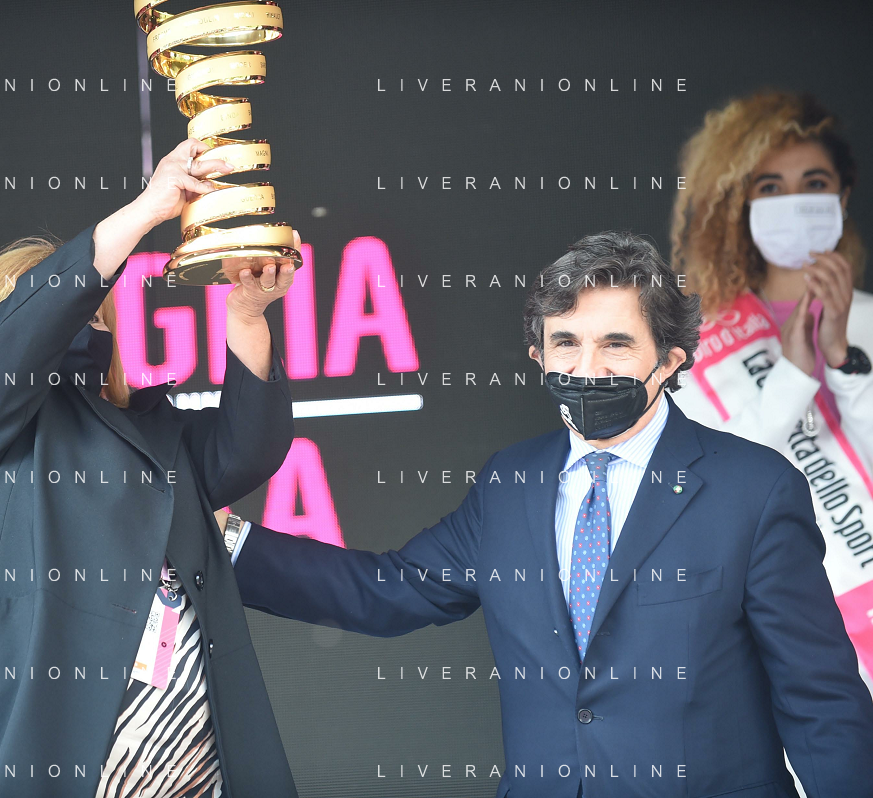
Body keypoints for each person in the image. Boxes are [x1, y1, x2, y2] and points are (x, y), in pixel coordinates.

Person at [217, 232, 873, 798]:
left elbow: (821, 702)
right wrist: (222, 540)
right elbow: (386, 590)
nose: (586, 369)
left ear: (670, 360)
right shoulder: (508, 483)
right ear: (537, 357)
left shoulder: (754, 490)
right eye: (565, 343)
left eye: (616, 344)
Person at [0, 138, 301, 798]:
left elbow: (248, 449)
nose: (83, 319)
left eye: (97, 309)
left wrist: (247, 316)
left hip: (187, 767)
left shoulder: (155, 431)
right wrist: (148, 209)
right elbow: (22, 342)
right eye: (69, 303)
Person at [670, 91, 873, 690]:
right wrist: (791, 375)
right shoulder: (698, 344)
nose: (794, 201)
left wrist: (842, 360)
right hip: (783, 630)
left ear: (842, 195)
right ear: (741, 205)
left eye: (814, 183)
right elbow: (710, 484)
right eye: (770, 187)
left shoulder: (867, 321)